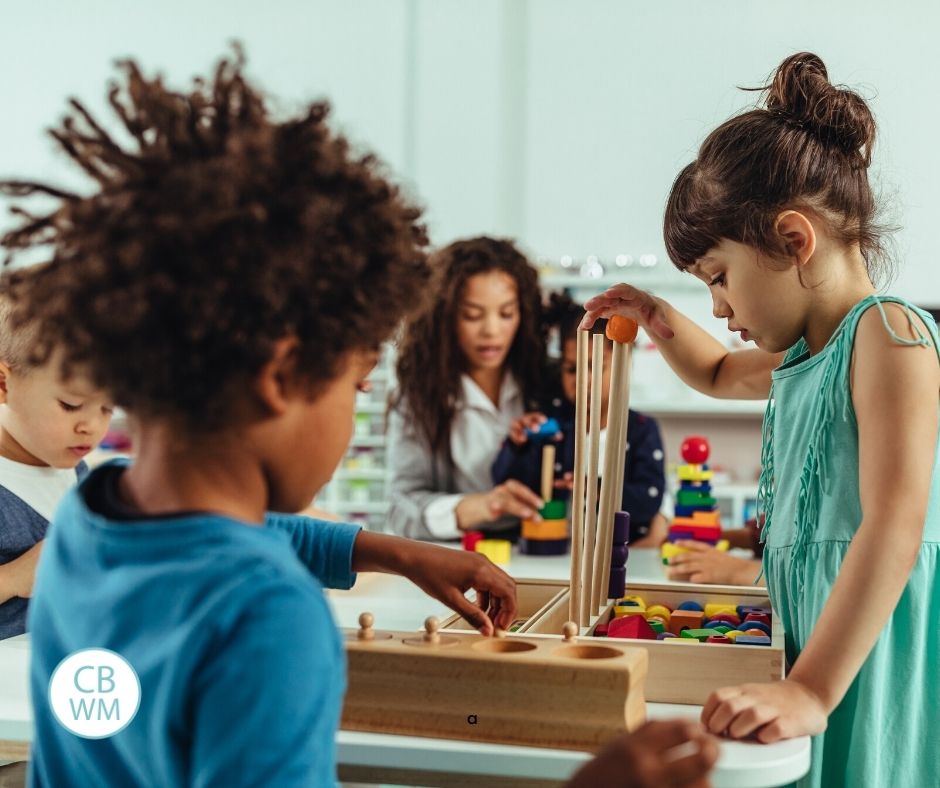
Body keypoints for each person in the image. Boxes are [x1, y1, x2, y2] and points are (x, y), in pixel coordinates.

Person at [1, 49, 718, 788]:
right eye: (354, 385)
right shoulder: (267, 618)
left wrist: (399, 553)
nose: (353, 414)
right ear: (282, 378)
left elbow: (229, 535)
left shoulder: (95, 514)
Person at [583, 52, 939, 788]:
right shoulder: (805, 355)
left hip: (862, 656)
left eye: (718, 277)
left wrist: (812, 688)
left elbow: (895, 526)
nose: (717, 305)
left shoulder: (888, 336)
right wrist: (653, 316)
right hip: (813, 647)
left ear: (793, 241)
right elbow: (714, 371)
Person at [387, 236, 546, 540]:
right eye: (472, 315)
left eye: (506, 313)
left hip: (548, 556)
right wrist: (481, 507)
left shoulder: (546, 384)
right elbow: (400, 509)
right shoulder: (419, 398)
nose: (491, 330)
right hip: (461, 559)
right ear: (444, 318)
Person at [492, 293, 667, 546]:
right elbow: (506, 484)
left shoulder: (641, 430)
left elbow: (648, 501)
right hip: (554, 552)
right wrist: (517, 446)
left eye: (595, 366)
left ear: (624, 363)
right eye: (572, 369)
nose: (583, 379)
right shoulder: (549, 423)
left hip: (622, 554)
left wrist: (594, 489)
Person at [0, 288, 112, 639]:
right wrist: (15, 576)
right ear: (4, 383)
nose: (91, 427)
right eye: (70, 405)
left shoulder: (73, 466)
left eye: (107, 408)